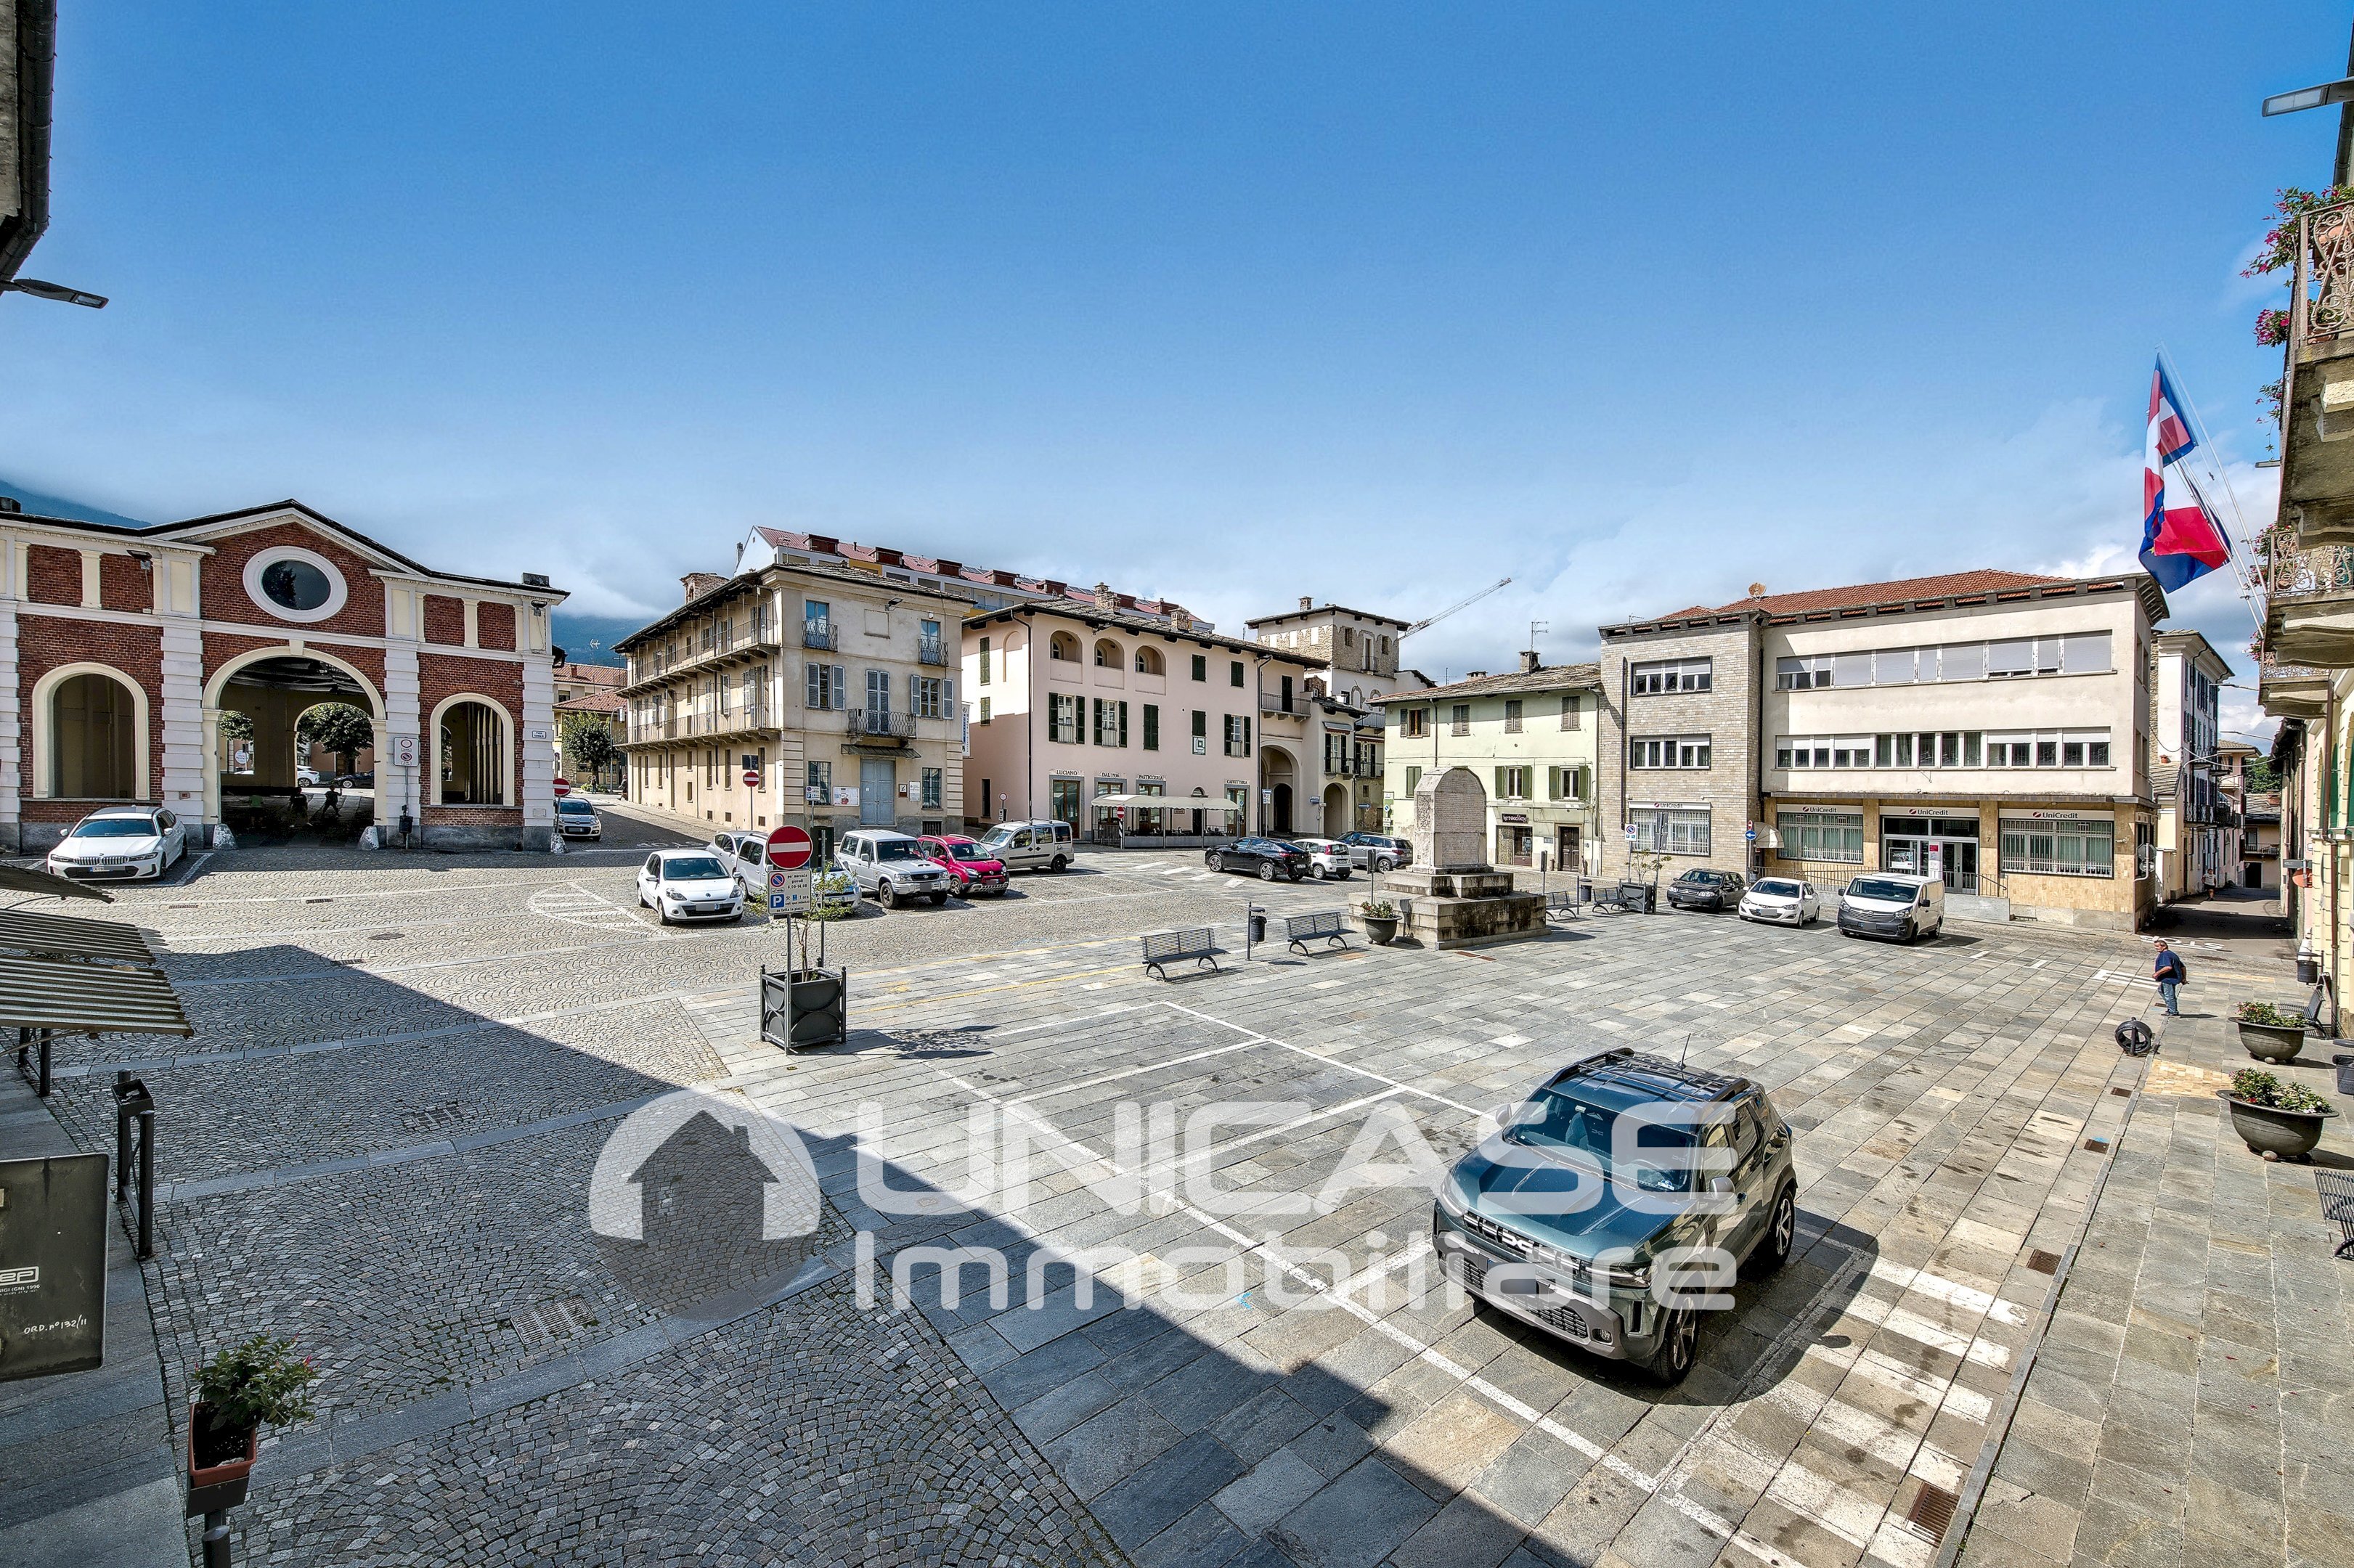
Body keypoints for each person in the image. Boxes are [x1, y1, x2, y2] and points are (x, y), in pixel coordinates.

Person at [2153, 939, 2187, 1017]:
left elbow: (2168, 967)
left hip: (2169, 979)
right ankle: (2170, 1007)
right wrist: (2184, 978)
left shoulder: (2165, 955)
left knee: (2169, 995)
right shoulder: (2172, 954)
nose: (2156, 948)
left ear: (2164, 946)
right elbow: (2183, 967)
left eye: (2157, 946)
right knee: (2161, 990)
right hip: (2172, 978)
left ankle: (2173, 1011)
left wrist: (2157, 974)